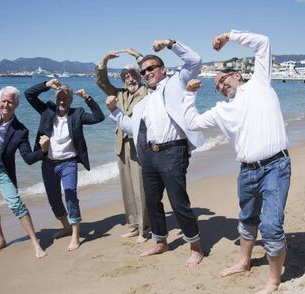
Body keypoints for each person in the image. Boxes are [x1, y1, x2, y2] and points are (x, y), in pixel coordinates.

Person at [182, 30, 291, 293]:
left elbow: (263, 42)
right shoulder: (221, 110)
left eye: (223, 79)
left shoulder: (260, 84)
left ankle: (273, 281)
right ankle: (243, 261)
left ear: (237, 76)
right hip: (247, 172)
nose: (220, 85)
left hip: (276, 166)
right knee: (246, 218)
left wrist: (228, 36)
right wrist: (188, 95)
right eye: (217, 85)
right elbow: (192, 123)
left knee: (271, 225)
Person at [106, 39, 205, 267]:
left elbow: (194, 60)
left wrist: (171, 44)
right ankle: (160, 241)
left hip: (173, 150)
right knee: (152, 201)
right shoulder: (143, 103)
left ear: (163, 70)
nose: (147, 72)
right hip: (149, 155)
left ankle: (196, 247)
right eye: (144, 71)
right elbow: (131, 127)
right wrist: (114, 110)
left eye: (151, 68)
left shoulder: (175, 83)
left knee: (179, 201)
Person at [0, 59, 48, 258]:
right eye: (3, 101)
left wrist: (44, 150)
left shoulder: (20, 130)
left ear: (16, 104)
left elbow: (29, 158)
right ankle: (1, 240)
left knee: (16, 204)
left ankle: (35, 243)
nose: (6, 104)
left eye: (10, 102)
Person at [24, 79, 105, 251]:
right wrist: (46, 84)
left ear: (70, 100)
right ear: (55, 99)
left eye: (65, 98)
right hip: (48, 163)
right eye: (59, 98)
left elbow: (99, 117)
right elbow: (28, 95)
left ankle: (75, 235)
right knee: (54, 199)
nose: (62, 101)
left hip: (69, 162)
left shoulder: (77, 114)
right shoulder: (47, 109)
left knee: (70, 195)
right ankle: (66, 227)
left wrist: (88, 98)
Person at [95, 48, 150, 243]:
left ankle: (146, 228)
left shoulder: (148, 91)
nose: (129, 79)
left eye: (133, 75)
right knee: (127, 187)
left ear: (139, 76)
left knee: (141, 188)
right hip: (121, 146)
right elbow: (101, 82)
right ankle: (134, 225)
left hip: (140, 146)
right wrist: (104, 60)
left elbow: (150, 70)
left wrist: (138, 56)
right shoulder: (119, 94)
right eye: (126, 76)